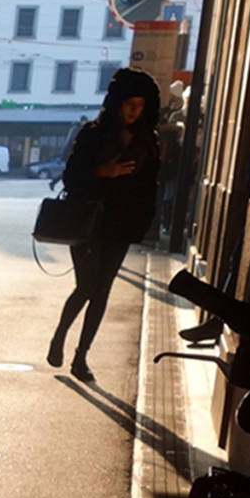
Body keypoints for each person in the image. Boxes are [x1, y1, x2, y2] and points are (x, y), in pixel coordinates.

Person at [47, 67, 162, 384]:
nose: (134, 111)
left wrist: (144, 223)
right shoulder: (92, 134)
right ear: (116, 103)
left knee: (102, 292)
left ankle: (81, 357)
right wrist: (103, 173)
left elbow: (150, 186)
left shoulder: (148, 141)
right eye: (129, 104)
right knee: (86, 286)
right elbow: (71, 178)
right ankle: (59, 337)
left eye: (140, 105)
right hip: (86, 222)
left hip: (121, 226)